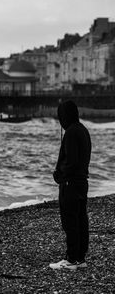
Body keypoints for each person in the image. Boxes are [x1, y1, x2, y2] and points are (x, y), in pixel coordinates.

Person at [49, 100, 91, 270]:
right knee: (81, 220)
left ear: (64, 116)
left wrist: (60, 174)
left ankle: (72, 260)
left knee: (70, 222)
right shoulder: (83, 130)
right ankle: (80, 258)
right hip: (82, 182)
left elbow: (71, 162)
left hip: (70, 184)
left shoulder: (71, 133)